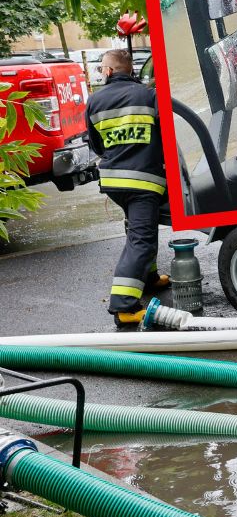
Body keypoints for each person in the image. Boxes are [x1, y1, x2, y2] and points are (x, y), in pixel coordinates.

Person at [86, 40, 168, 328]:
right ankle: (124, 306)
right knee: (141, 239)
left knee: (140, 229)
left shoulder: (94, 101)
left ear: (108, 70)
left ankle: (149, 278)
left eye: (101, 68)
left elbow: (96, 145)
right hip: (144, 181)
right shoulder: (148, 95)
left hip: (113, 181)